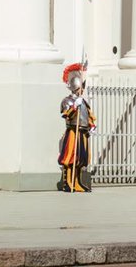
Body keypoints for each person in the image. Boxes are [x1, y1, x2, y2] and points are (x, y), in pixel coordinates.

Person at [58, 62, 96, 192]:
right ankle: (68, 183)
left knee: (81, 159)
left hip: (83, 133)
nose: (82, 90)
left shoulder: (83, 102)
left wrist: (92, 125)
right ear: (76, 87)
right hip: (73, 132)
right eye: (81, 87)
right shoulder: (67, 100)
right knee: (71, 158)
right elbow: (66, 114)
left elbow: (89, 115)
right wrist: (74, 107)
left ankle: (77, 182)